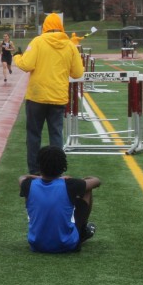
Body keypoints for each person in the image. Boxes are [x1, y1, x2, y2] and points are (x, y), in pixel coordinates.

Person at [12, 13, 84, 175]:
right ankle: (56, 171)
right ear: (61, 27)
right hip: (58, 97)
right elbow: (78, 73)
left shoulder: (38, 41)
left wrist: (17, 57)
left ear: (45, 26)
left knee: (33, 135)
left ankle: (34, 170)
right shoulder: (69, 45)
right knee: (56, 135)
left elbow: (26, 65)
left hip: (36, 96)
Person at [19, 145, 99, 253]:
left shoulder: (28, 184)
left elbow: (22, 178)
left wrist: (39, 177)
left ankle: (41, 234)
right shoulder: (69, 184)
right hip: (67, 244)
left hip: (36, 245)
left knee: (30, 195)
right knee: (87, 190)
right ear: (63, 166)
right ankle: (82, 231)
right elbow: (96, 181)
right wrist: (76, 180)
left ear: (39, 165)